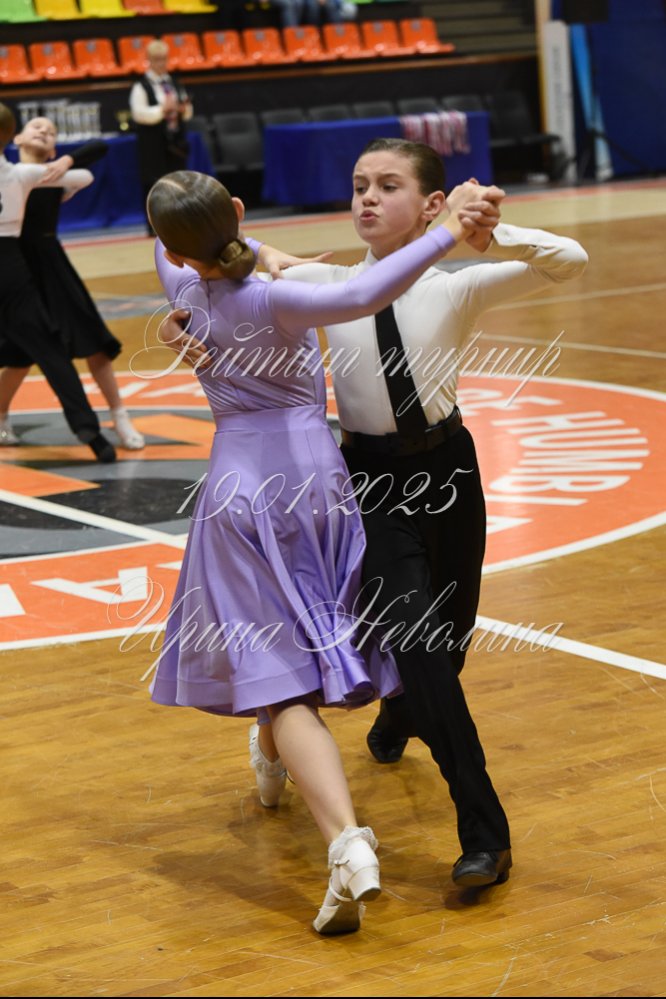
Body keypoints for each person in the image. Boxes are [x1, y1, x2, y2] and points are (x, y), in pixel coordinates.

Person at [146, 168, 503, 933]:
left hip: (242, 486)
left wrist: (179, 311)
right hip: (319, 484)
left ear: (176, 250)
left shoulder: (182, 285)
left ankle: (341, 838)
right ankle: (276, 761)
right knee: (296, 649)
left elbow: (171, 247)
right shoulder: (277, 297)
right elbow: (365, 293)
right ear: (238, 210)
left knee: (277, 669)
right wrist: (448, 230)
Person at [244, 138, 589, 889]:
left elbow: (570, 259)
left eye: (387, 185)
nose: (367, 197)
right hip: (368, 481)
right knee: (422, 646)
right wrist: (213, 280)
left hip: (449, 471)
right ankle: (486, 835)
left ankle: (401, 713)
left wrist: (493, 232)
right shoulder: (330, 284)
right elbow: (241, 269)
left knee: (446, 649)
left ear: (433, 205)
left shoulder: (455, 287)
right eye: (359, 184)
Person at [0, 116, 144, 451]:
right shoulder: (12, 174)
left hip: (53, 268)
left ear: (54, 149)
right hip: (18, 271)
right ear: (16, 138)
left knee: (95, 344)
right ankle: (2, 417)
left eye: (51, 132)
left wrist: (66, 160)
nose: (44, 132)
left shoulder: (59, 178)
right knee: (19, 357)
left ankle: (120, 416)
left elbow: (98, 150)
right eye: (37, 127)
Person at [129, 40, 193, 231]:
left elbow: (188, 110)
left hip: (175, 141)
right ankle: (156, 226)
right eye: (157, 60)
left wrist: (183, 109)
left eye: (164, 59)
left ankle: (180, 222)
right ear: (149, 60)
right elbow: (138, 114)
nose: (161, 63)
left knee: (178, 182)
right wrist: (162, 110)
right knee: (155, 183)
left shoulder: (174, 82)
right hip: (153, 143)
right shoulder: (141, 86)